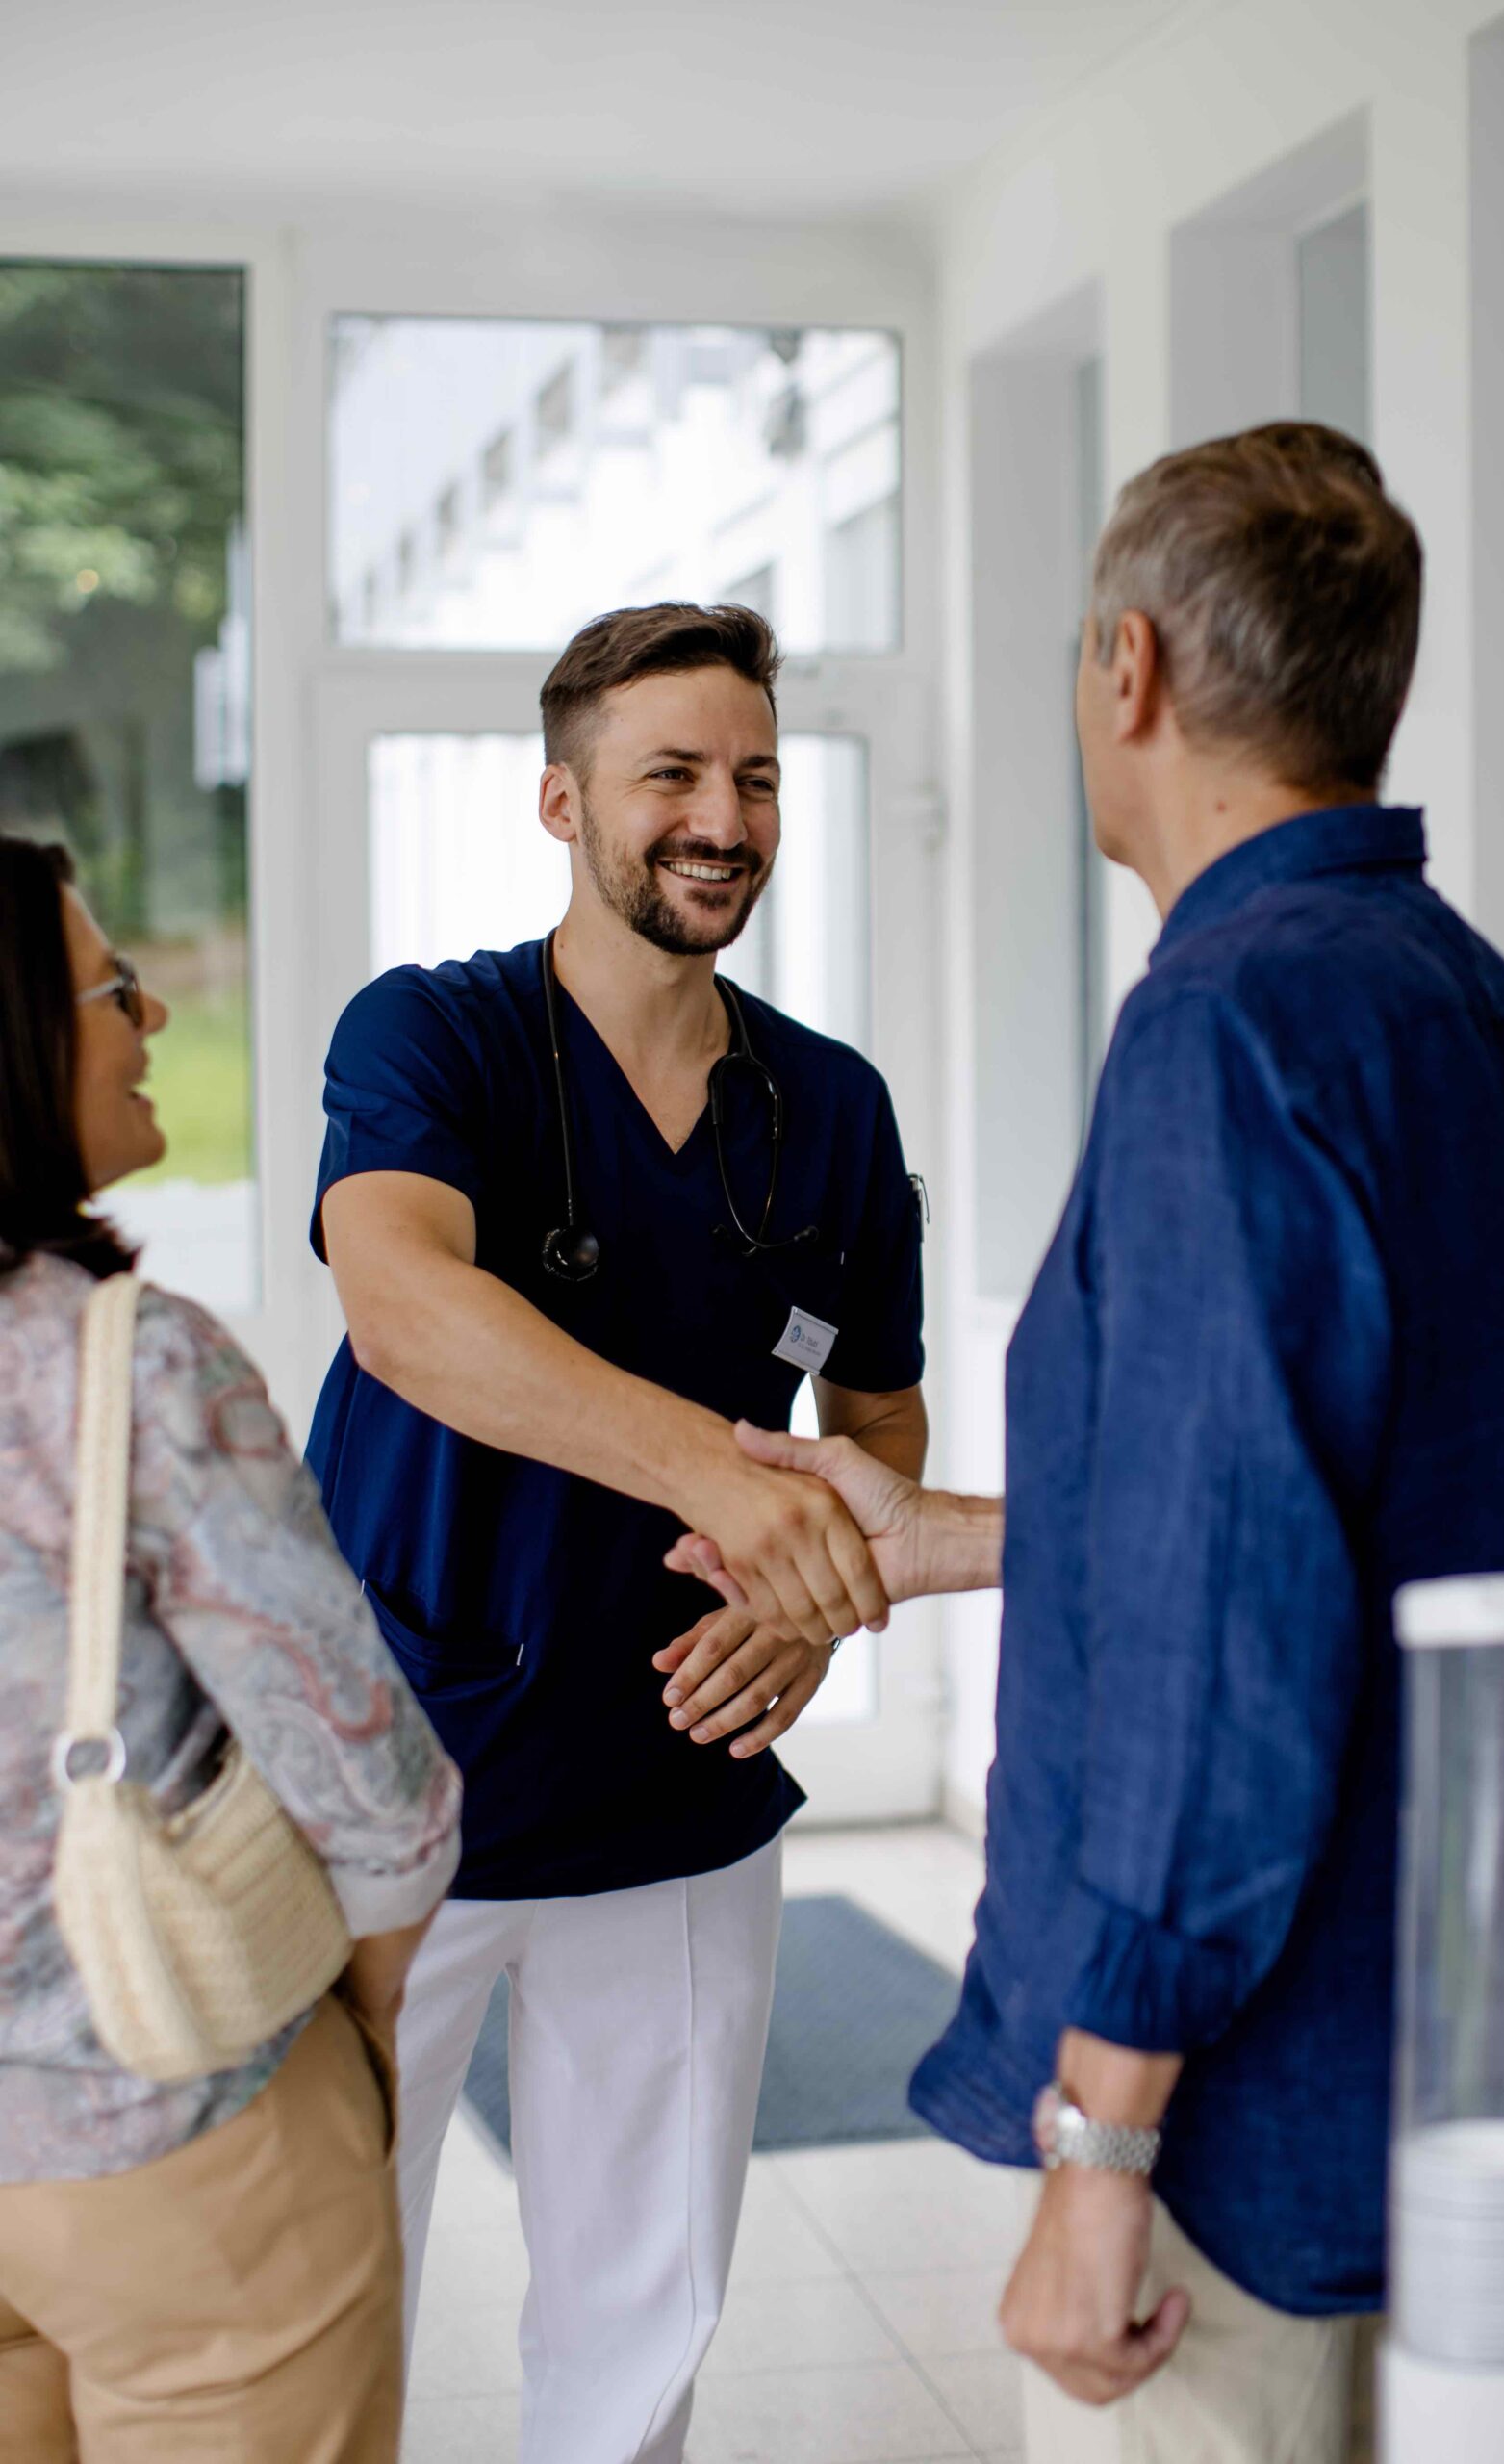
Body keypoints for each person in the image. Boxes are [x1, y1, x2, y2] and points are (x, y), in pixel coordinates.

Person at [668, 426, 1504, 2464]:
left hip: (1225, 2121)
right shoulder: (1478, 1011)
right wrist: (932, 1537)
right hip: (1420, 2050)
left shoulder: (1224, 1028)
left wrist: (1100, 2136)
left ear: (1129, 670)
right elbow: (1336, 1526)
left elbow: (1223, 1644)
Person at [306, 600, 927, 2462]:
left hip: (678, 1786)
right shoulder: (436, 1033)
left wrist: (814, 1613)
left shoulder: (826, 1108)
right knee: (328, 2306)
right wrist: (717, 1476)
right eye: (670, 774)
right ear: (565, 804)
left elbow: (877, 1425)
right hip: (403, 1781)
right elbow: (400, 1299)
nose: (718, 815)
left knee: (638, 2336)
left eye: (752, 775)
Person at [0, 834, 463, 2464]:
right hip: (174, 2137)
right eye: (114, 988)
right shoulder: (130, 1368)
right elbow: (374, 1786)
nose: (150, 1023)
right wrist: (371, 2046)